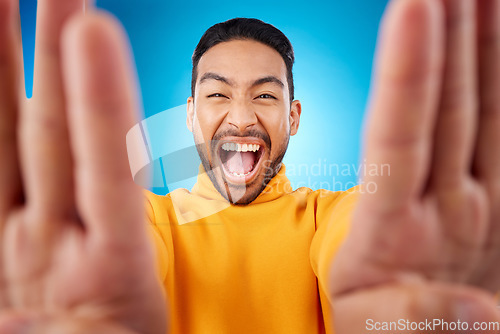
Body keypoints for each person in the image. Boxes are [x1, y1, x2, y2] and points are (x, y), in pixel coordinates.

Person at [1, 0, 499, 333]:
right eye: (218, 95)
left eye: (265, 95)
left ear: (294, 117)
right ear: (191, 114)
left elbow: (359, 236)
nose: (241, 118)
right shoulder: (148, 222)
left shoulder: (331, 216)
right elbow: (126, 254)